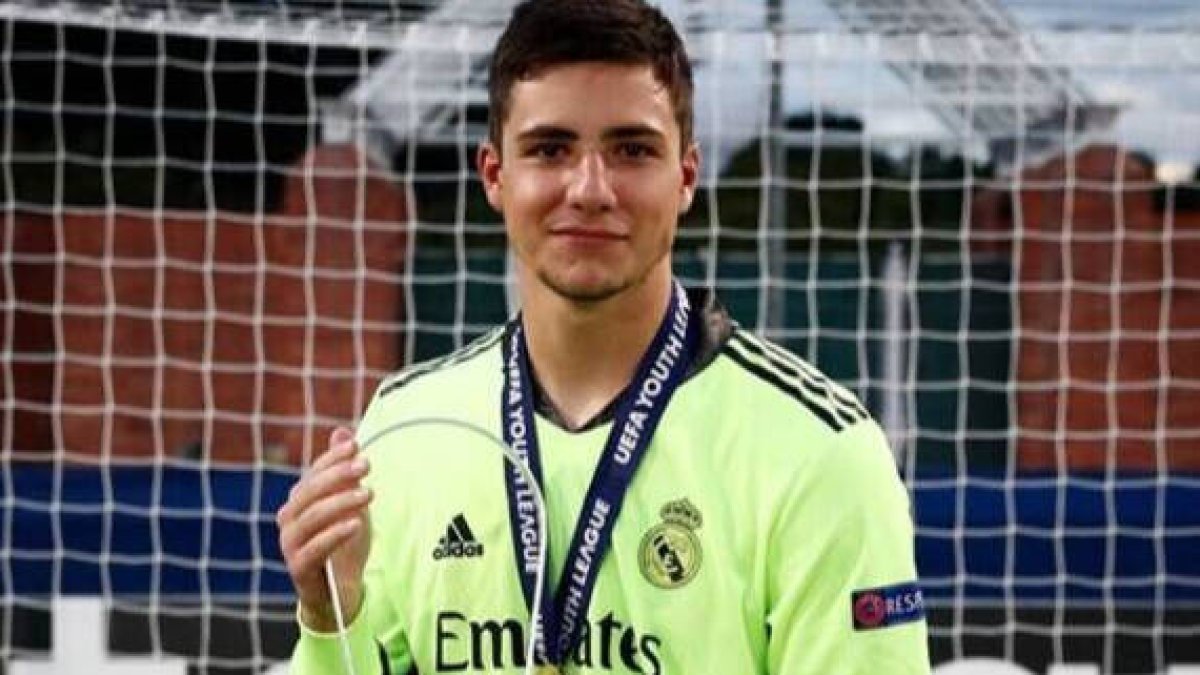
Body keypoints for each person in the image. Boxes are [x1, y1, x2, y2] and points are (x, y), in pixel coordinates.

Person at [277, 0, 931, 672]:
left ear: (686, 176)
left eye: (632, 150)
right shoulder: (406, 429)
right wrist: (332, 617)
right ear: (495, 175)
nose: (590, 188)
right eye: (550, 148)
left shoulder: (821, 452)